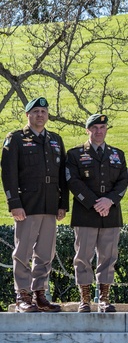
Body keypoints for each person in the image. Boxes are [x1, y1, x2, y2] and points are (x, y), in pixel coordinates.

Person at [2, 97, 68, 313]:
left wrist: (62, 204)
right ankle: (23, 295)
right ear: (27, 115)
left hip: (49, 203)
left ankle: (40, 293)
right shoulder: (16, 139)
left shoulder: (55, 139)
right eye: (36, 111)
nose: (40, 115)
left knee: (45, 252)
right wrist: (14, 203)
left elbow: (62, 175)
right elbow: (9, 174)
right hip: (27, 204)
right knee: (23, 251)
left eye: (43, 111)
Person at [65, 114, 128, 313]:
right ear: (87, 130)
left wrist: (109, 200)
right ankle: (85, 299)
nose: (99, 131)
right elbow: (73, 181)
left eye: (102, 127)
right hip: (86, 213)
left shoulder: (117, 154)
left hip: (110, 212)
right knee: (83, 256)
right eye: (95, 127)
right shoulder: (75, 154)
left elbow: (123, 180)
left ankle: (104, 298)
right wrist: (94, 202)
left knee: (108, 257)